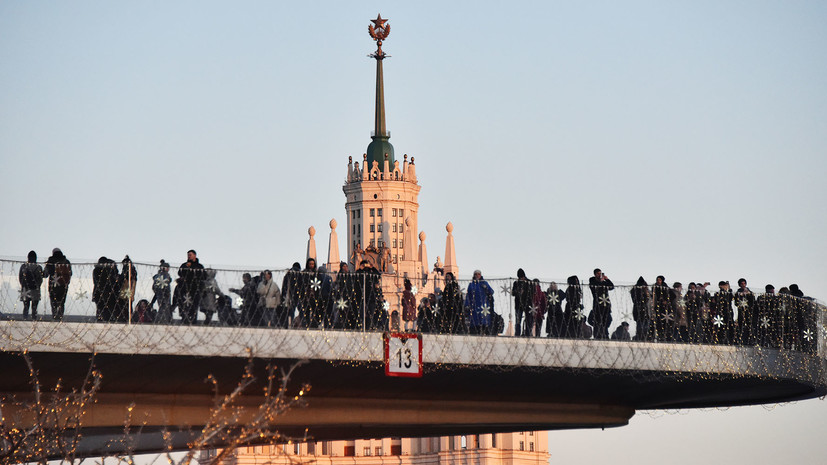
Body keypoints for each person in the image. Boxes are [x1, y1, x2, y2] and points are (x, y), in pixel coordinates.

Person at [43, 248, 72, 321]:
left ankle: (55, 315)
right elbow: (70, 273)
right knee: (61, 302)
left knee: (53, 301)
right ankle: (60, 315)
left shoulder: (50, 261)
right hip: (63, 285)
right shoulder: (66, 261)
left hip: (53, 284)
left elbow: (45, 274)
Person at [178, 249, 205, 324]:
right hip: (185, 288)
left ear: (194, 256)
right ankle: (184, 318)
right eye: (188, 255)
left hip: (195, 288)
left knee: (195, 304)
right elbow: (179, 273)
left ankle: (193, 319)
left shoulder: (199, 266)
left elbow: (204, 276)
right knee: (184, 303)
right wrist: (186, 268)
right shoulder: (184, 265)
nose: (189, 256)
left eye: (190, 255)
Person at [465, 270, 495, 335]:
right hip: (474, 305)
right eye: (476, 274)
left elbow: (491, 292)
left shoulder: (484, 283)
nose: (477, 275)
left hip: (483, 306)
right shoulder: (471, 284)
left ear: (480, 275)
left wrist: (486, 288)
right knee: (475, 320)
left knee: (484, 320)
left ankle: (485, 331)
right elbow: (468, 295)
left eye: (478, 274)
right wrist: (467, 304)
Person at [588, 268, 614, 339]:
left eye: (601, 274)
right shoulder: (593, 282)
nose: (600, 275)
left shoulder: (605, 283)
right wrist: (600, 281)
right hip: (598, 306)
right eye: (598, 274)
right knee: (598, 322)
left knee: (607, 320)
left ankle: (605, 334)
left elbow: (612, 287)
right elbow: (593, 285)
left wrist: (607, 279)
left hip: (606, 306)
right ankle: (598, 335)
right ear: (595, 274)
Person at [92, 256, 119, 322]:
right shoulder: (109, 270)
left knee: (101, 308)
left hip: (99, 292)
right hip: (108, 292)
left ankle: (101, 318)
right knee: (107, 308)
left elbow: (97, 282)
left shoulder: (96, 270)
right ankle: (105, 318)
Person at [18, 251, 43, 320]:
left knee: (26, 305)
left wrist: (23, 285)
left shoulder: (24, 266)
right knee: (34, 307)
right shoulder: (38, 267)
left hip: (25, 288)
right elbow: (40, 279)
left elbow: (20, 277)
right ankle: (34, 318)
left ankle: (25, 318)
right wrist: (38, 286)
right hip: (35, 289)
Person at [114, 256, 138, 323]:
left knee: (124, 304)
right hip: (128, 290)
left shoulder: (127, 270)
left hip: (126, 289)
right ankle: (128, 317)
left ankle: (125, 318)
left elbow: (123, 278)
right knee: (128, 304)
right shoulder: (133, 271)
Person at [511, 268, 533, 337]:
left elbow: (532, 292)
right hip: (518, 304)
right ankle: (517, 334)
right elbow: (513, 293)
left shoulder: (529, 282)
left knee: (528, 320)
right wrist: (518, 292)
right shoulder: (516, 283)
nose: (521, 278)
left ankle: (528, 334)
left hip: (527, 304)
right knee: (518, 320)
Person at [734, 278, 756, 345]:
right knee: (741, 325)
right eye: (742, 284)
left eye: (744, 283)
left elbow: (753, 301)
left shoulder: (750, 292)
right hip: (741, 312)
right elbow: (736, 303)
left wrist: (748, 294)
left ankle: (750, 340)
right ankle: (741, 339)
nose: (743, 285)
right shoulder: (737, 293)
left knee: (749, 325)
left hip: (748, 312)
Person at [651, 275, 672, 342]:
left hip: (665, 308)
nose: (658, 281)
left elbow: (671, 295)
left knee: (665, 323)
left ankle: (666, 336)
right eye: (657, 280)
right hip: (657, 307)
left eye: (660, 280)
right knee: (658, 322)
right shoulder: (655, 287)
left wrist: (666, 301)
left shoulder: (666, 287)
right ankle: (659, 336)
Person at [630, 277, 651, 341]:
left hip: (641, 311)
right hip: (640, 311)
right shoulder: (637, 291)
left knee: (643, 325)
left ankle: (642, 336)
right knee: (641, 325)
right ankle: (642, 337)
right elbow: (642, 300)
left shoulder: (635, 290)